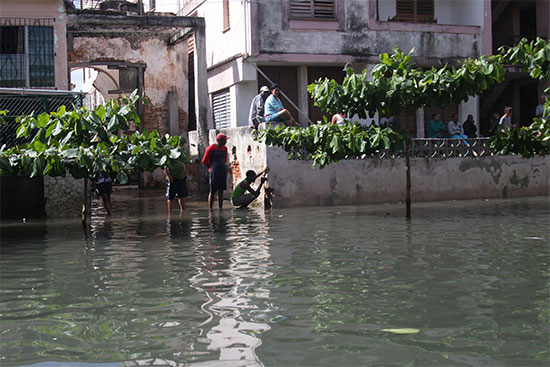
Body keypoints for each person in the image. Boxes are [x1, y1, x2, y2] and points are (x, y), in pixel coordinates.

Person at [202, 133, 229, 210]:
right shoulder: (211, 148)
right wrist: (210, 168)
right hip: (214, 172)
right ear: (219, 140)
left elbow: (225, 160)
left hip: (222, 172)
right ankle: (210, 210)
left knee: (221, 191)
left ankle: (220, 208)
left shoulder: (225, 149)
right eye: (224, 140)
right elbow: (204, 160)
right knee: (212, 192)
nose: (226, 142)